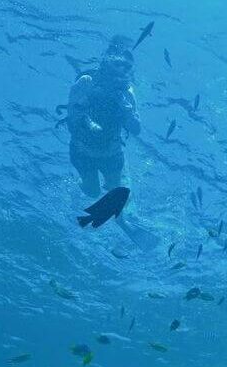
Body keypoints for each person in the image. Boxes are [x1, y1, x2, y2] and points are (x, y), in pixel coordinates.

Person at [67, 36, 157, 249]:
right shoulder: (87, 82)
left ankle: (123, 223)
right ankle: (88, 193)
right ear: (106, 60)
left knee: (117, 195)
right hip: (83, 151)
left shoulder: (127, 92)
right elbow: (72, 119)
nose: (122, 69)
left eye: (126, 65)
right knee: (90, 191)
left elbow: (136, 130)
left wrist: (128, 113)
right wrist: (88, 123)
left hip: (111, 153)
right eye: (118, 63)